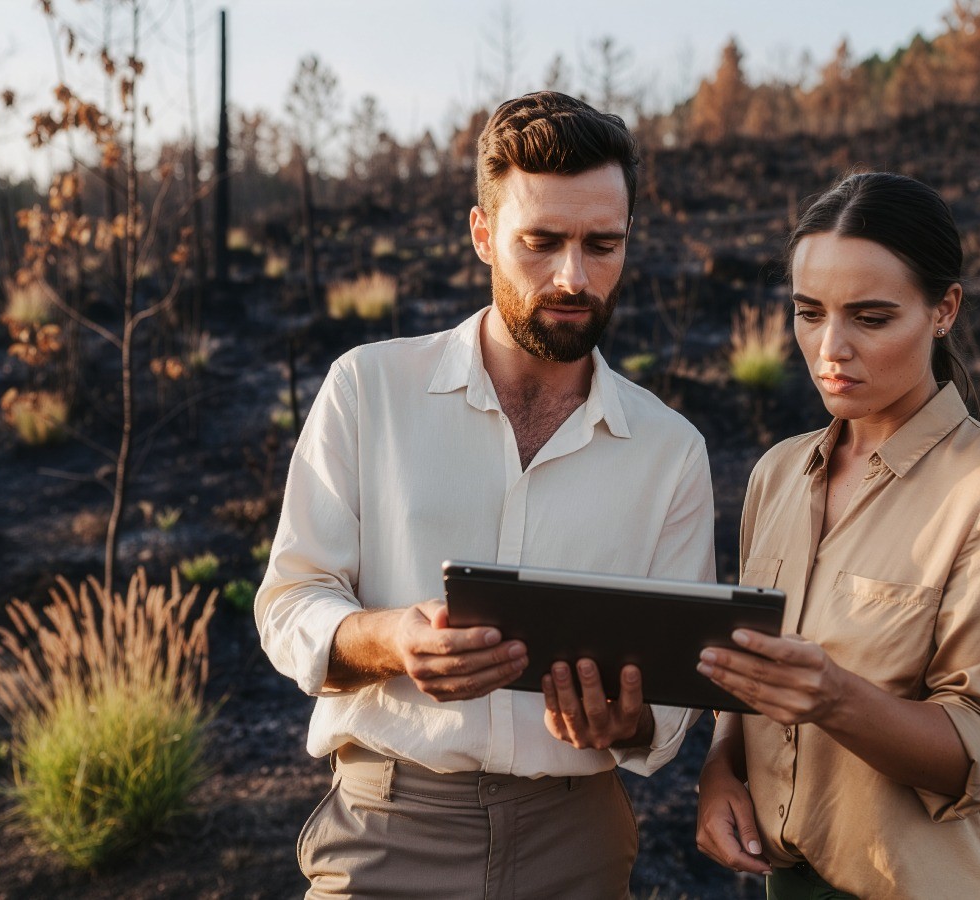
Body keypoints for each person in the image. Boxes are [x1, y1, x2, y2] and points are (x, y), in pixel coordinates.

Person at [254, 91, 716, 900]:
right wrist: (391, 638)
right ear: (482, 235)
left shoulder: (672, 451)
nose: (574, 277)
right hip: (388, 832)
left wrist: (630, 721)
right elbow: (289, 604)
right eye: (541, 243)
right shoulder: (369, 389)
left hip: (580, 840)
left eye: (602, 245)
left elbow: (674, 699)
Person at [693, 172, 980, 899]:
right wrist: (720, 771)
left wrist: (835, 696)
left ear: (944, 309)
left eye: (871, 318)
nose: (830, 348)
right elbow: (748, 674)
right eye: (809, 312)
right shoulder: (775, 475)